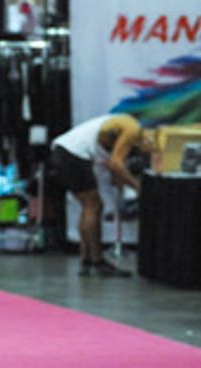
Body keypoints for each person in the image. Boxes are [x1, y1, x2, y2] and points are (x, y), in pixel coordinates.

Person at [50, 113, 155, 277]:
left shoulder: (120, 127)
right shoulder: (133, 129)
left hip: (62, 152)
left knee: (89, 206)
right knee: (94, 205)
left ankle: (87, 260)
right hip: (71, 155)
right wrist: (139, 187)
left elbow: (115, 168)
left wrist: (123, 180)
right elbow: (116, 164)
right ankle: (97, 262)